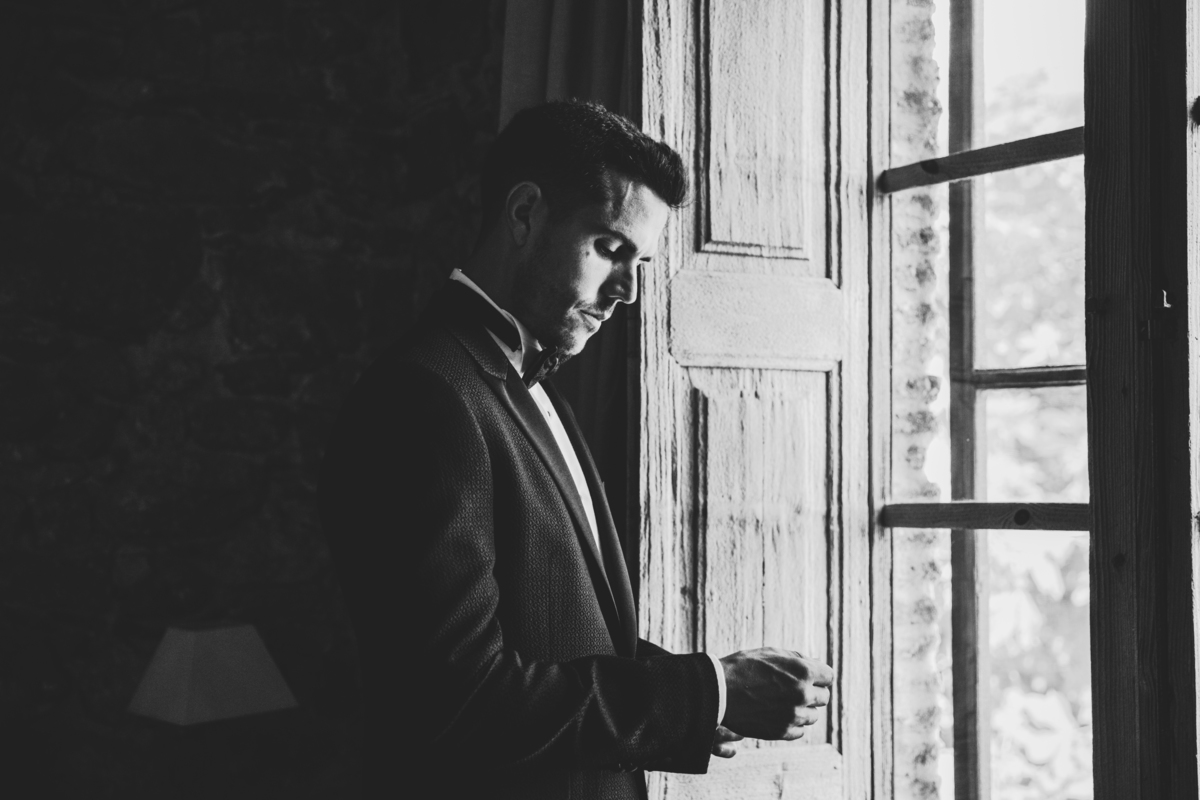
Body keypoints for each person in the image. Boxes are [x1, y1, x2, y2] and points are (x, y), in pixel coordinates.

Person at [317, 100, 833, 800]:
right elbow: (458, 699)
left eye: (641, 262)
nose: (627, 291)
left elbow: (556, 635)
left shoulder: (533, 386)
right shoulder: (423, 397)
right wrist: (705, 691)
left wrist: (697, 699)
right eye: (612, 249)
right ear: (525, 213)